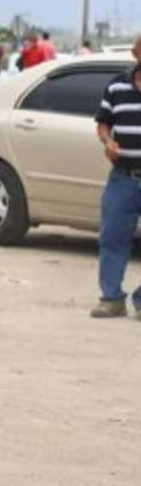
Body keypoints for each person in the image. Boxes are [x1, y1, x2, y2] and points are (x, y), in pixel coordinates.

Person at [90, 34, 141, 319]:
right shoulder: (117, 86)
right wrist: (108, 142)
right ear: (136, 54)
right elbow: (103, 124)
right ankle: (111, 299)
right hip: (123, 177)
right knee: (112, 236)